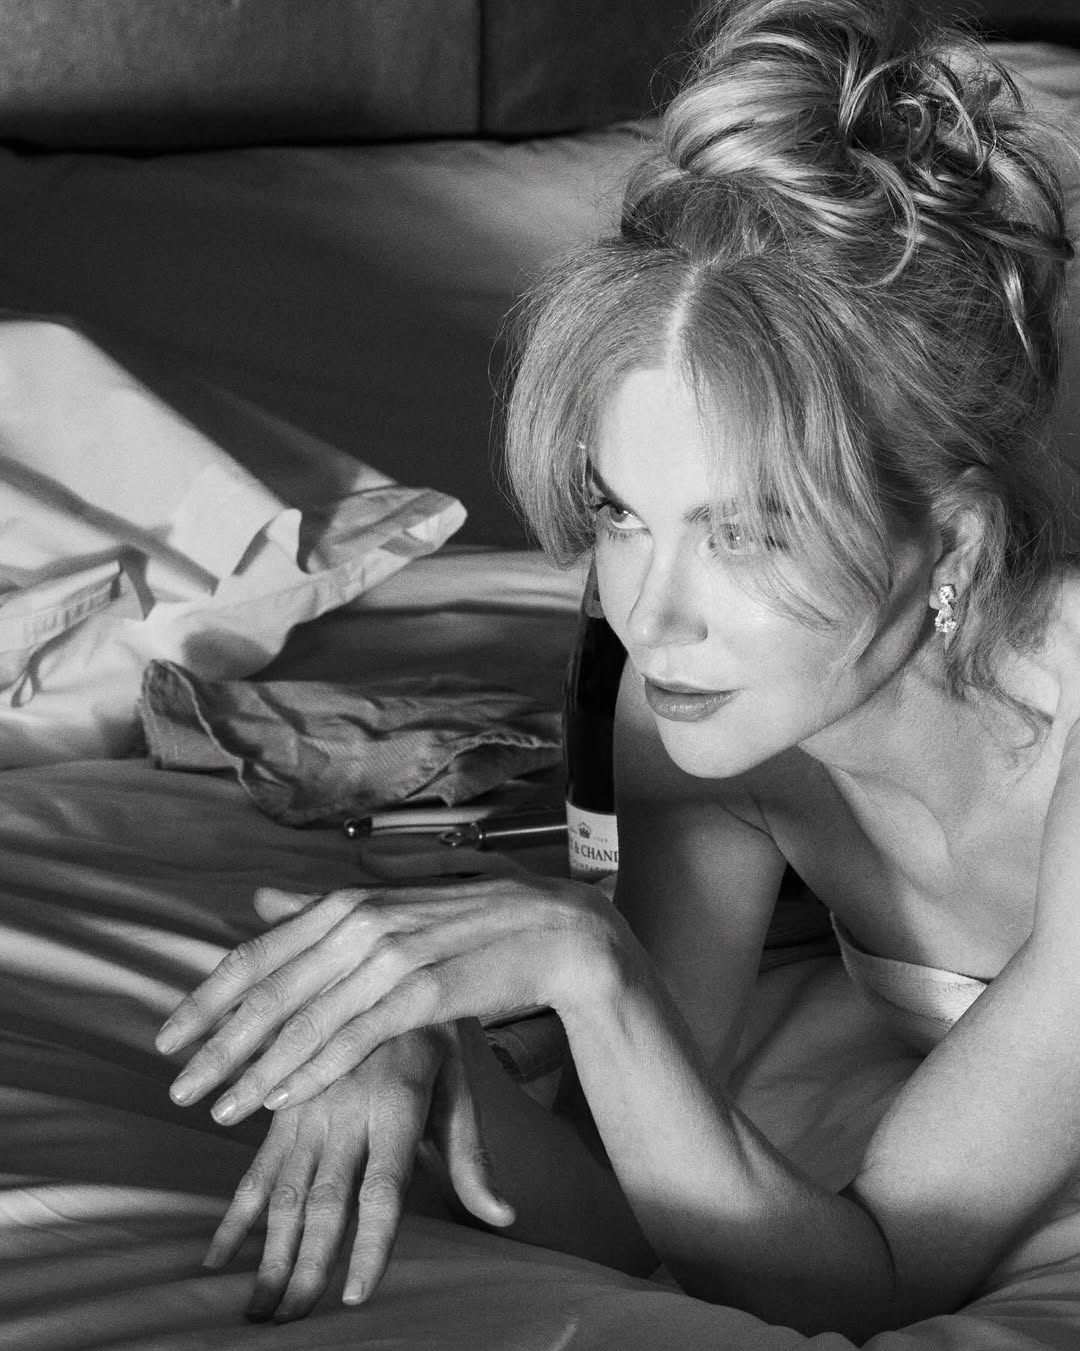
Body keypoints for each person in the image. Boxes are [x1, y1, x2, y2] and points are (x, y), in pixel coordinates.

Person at [155, 0, 1080, 1337]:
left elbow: (873, 1278)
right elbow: (632, 1202)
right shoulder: (693, 719)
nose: (651, 617)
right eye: (622, 515)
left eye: (745, 533)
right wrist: (417, 1038)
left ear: (956, 543)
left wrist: (588, 963)